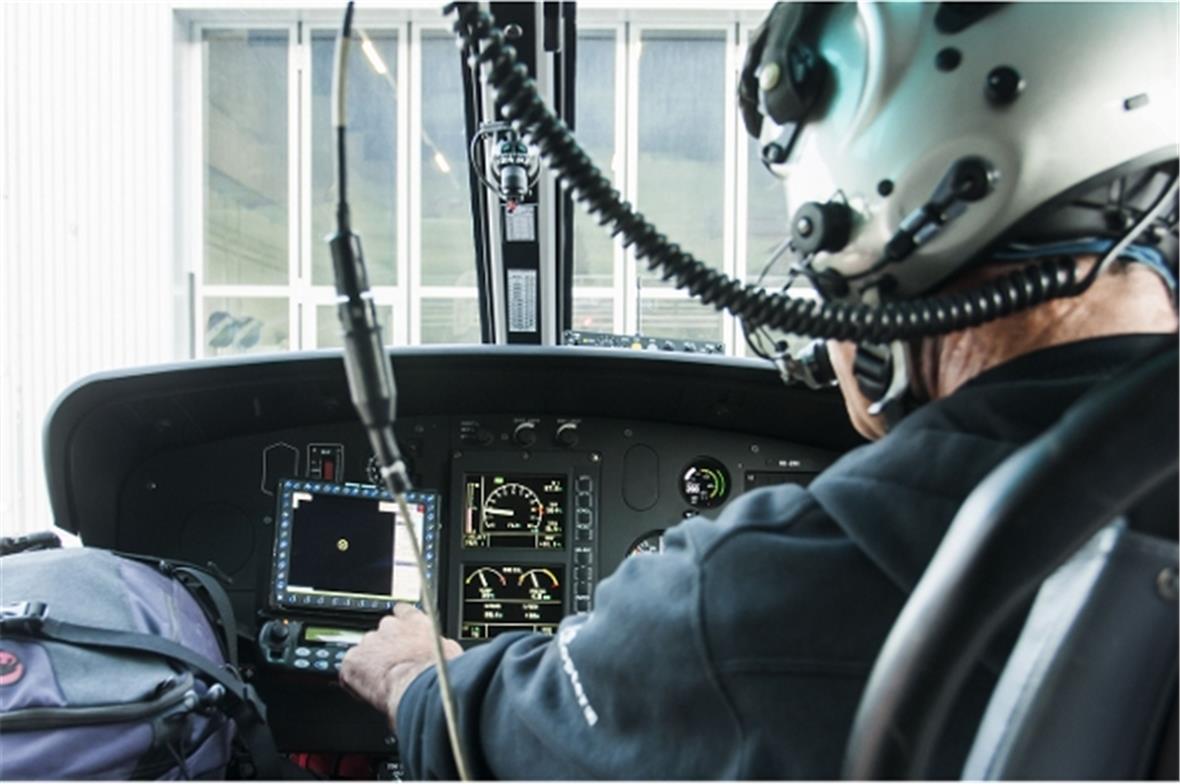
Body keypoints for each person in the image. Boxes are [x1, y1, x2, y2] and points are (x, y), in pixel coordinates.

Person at [342, 2, 1178, 778]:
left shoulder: (764, 588)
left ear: (879, 239)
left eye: (824, 271)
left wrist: (415, 669)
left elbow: (494, 735)